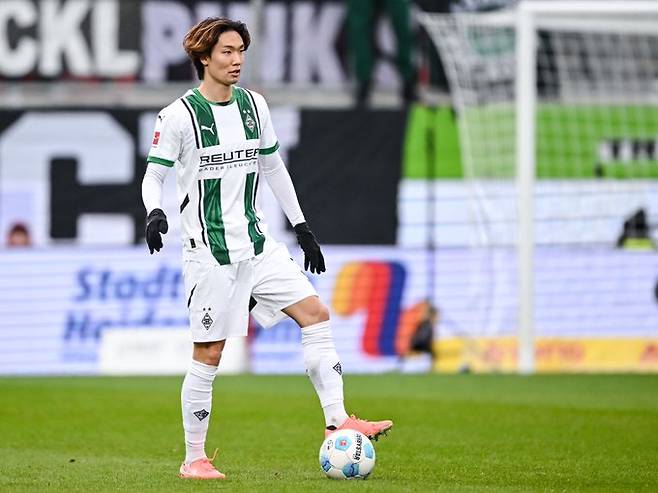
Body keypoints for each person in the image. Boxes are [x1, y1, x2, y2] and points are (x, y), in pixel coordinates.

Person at [141, 17, 393, 480]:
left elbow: (274, 167)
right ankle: (193, 458)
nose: (237, 60)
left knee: (315, 313)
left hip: (258, 245)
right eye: (227, 51)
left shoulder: (254, 105)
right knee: (209, 353)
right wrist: (154, 211)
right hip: (210, 254)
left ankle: (337, 421)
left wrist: (301, 226)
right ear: (204, 58)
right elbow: (154, 174)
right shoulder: (178, 116)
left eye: (241, 51)